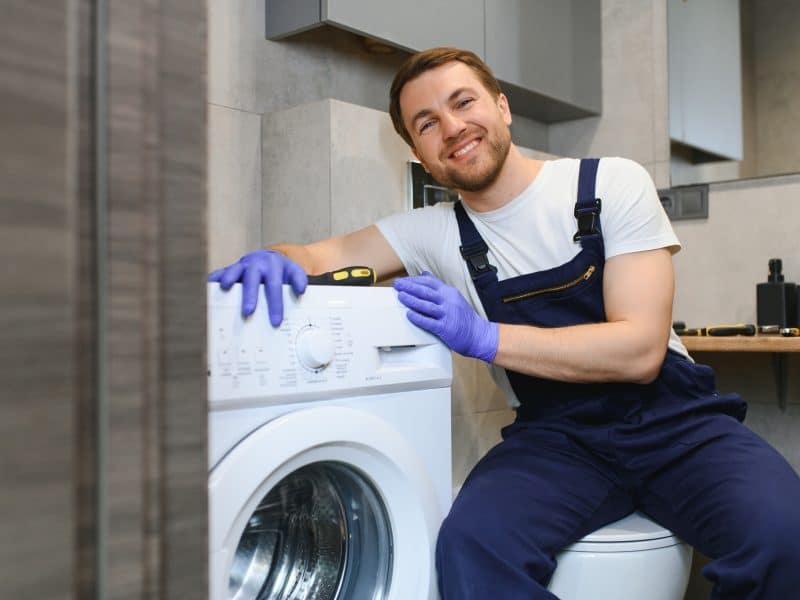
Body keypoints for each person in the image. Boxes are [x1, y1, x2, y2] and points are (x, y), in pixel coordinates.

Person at [209, 47, 800, 599]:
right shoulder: (434, 232)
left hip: (676, 426)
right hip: (558, 440)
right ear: (419, 154)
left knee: (782, 534)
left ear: (501, 107)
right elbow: (316, 256)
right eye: (427, 123)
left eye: (462, 102)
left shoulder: (608, 183)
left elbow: (640, 349)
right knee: (471, 549)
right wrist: (275, 259)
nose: (452, 128)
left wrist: (483, 337)